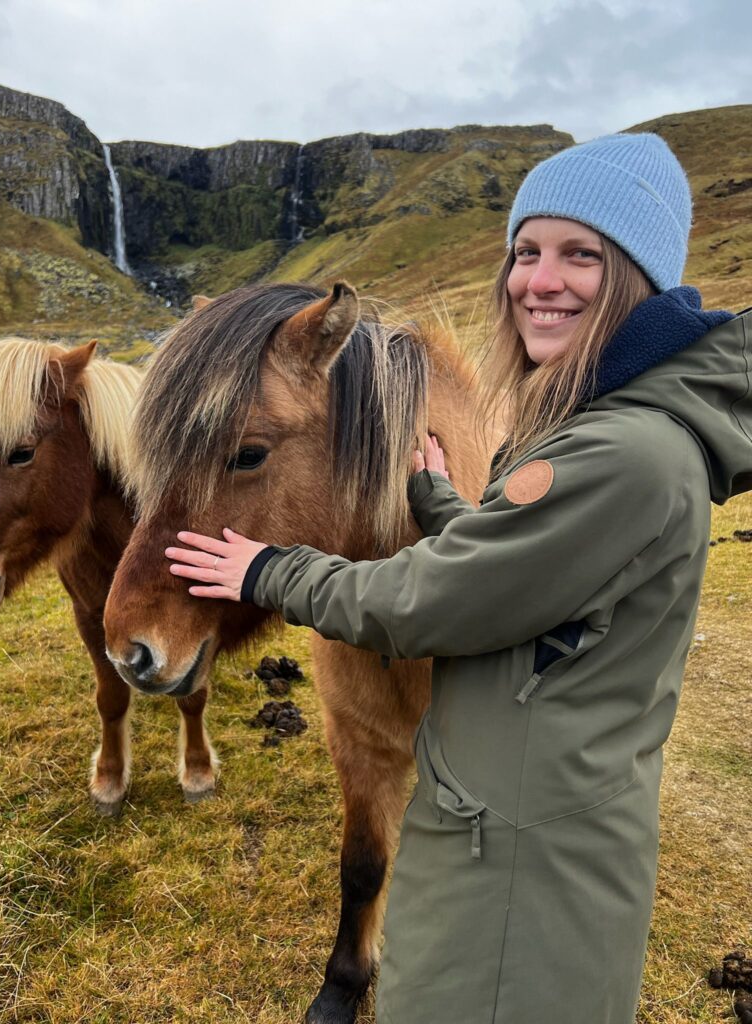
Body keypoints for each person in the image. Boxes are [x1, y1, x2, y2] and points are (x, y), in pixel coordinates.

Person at [164, 133, 752, 1024]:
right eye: (525, 252)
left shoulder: (627, 450)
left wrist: (268, 568)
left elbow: (436, 602)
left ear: (638, 278)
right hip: (509, 822)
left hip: (523, 864)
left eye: (580, 255)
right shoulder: (603, 418)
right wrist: (440, 500)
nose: (538, 281)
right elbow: (534, 567)